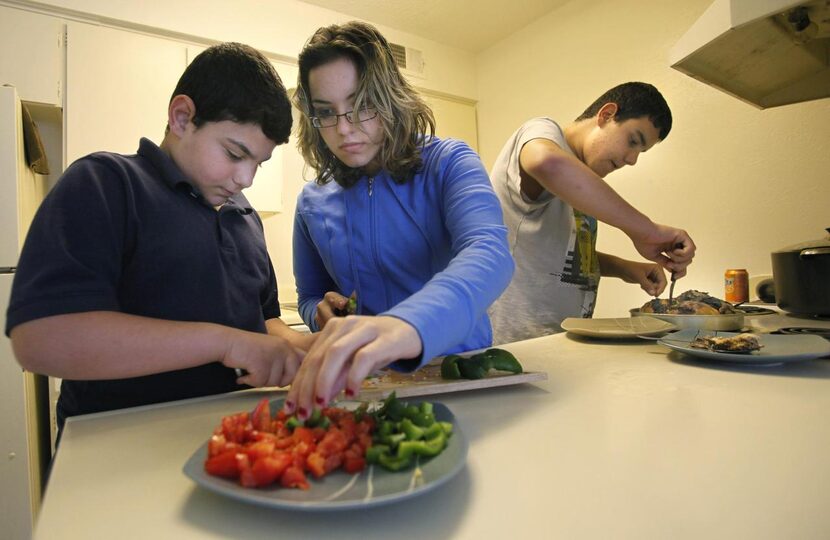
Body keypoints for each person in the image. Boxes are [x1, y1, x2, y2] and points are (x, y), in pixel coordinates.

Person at [5, 42, 310, 433]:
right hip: (118, 452)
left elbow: (263, 321)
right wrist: (224, 343)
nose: (245, 179)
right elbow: (41, 339)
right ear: (182, 117)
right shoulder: (107, 183)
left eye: (258, 163)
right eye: (235, 154)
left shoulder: (245, 216)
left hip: (233, 442)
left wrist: (302, 346)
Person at [285, 21, 513, 419]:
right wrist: (317, 312)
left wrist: (404, 326)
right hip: (366, 386)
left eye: (361, 105)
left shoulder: (450, 162)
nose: (343, 129)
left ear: (390, 98)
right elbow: (309, 296)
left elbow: (489, 253)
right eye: (326, 112)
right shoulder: (311, 202)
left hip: (461, 373)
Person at [488, 82, 696, 344]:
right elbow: (546, 162)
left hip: (560, 341)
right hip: (514, 344)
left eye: (640, 152)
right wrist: (647, 231)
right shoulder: (542, 132)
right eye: (633, 141)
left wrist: (624, 268)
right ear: (606, 114)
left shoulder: (581, 183)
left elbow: (557, 251)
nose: (631, 160)